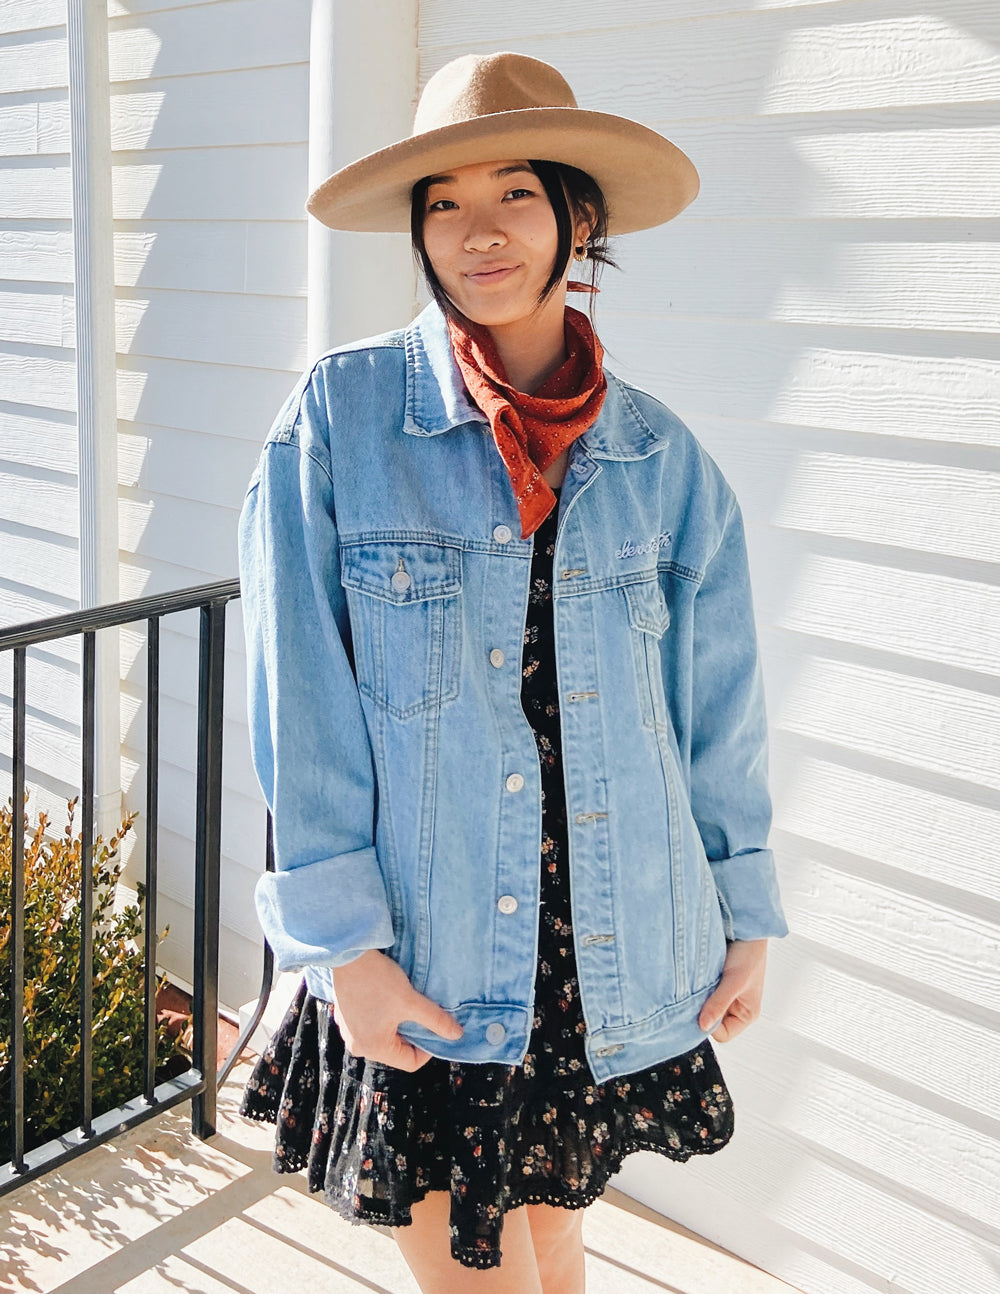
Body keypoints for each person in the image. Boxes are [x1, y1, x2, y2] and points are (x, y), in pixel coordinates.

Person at [237, 50, 790, 1294]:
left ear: (576, 218)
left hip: (599, 941)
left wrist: (742, 908)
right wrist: (343, 947)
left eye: (515, 196)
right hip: (427, 938)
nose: (477, 232)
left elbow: (716, 711)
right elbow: (301, 701)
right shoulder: (340, 421)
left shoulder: (662, 457)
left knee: (553, 1241)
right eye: (443, 202)